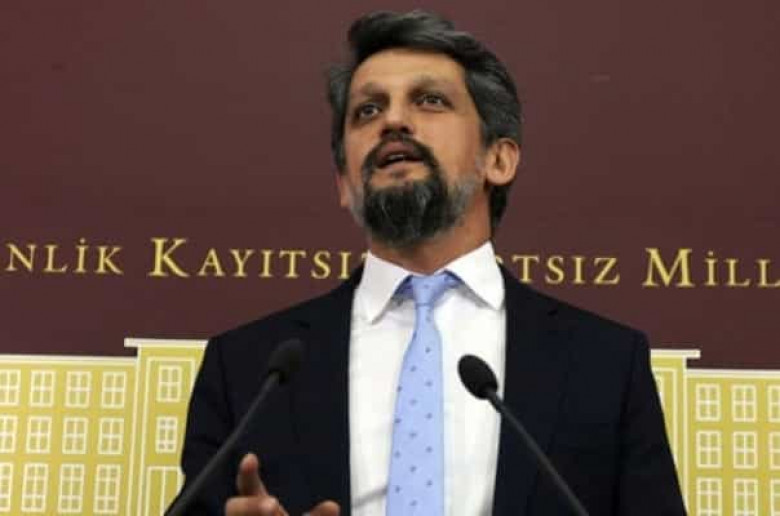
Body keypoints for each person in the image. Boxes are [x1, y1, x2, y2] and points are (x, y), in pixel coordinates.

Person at [176, 10, 686, 516]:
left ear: (498, 160)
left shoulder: (604, 364)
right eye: (367, 111)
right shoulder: (247, 370)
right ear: (344, 183)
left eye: (430, 100)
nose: (393, 121)